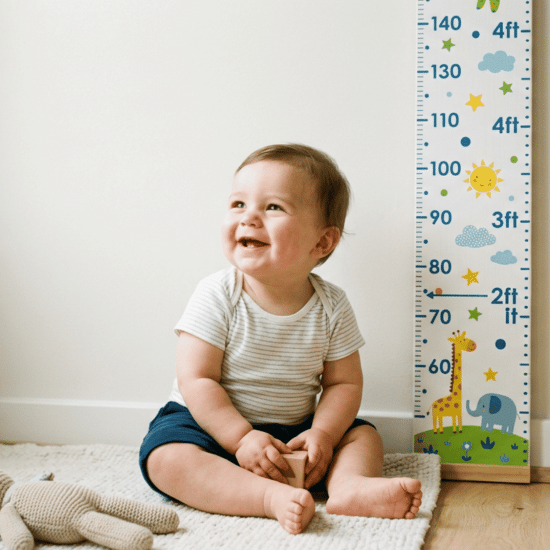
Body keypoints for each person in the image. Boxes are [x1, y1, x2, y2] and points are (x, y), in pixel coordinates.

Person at [139, 144, 422, 535]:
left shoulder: (332, 305)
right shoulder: (218, 293)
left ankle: (348, 487)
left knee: (363, 436)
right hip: (211, 427)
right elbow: (196, 379)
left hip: (295, 433)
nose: (249, 217)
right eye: (238, 203)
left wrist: (322, 435)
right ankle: (265, 497)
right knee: (167, 459)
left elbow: (344, 383)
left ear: (322, 243)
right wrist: (240, 439)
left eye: (273, 207)